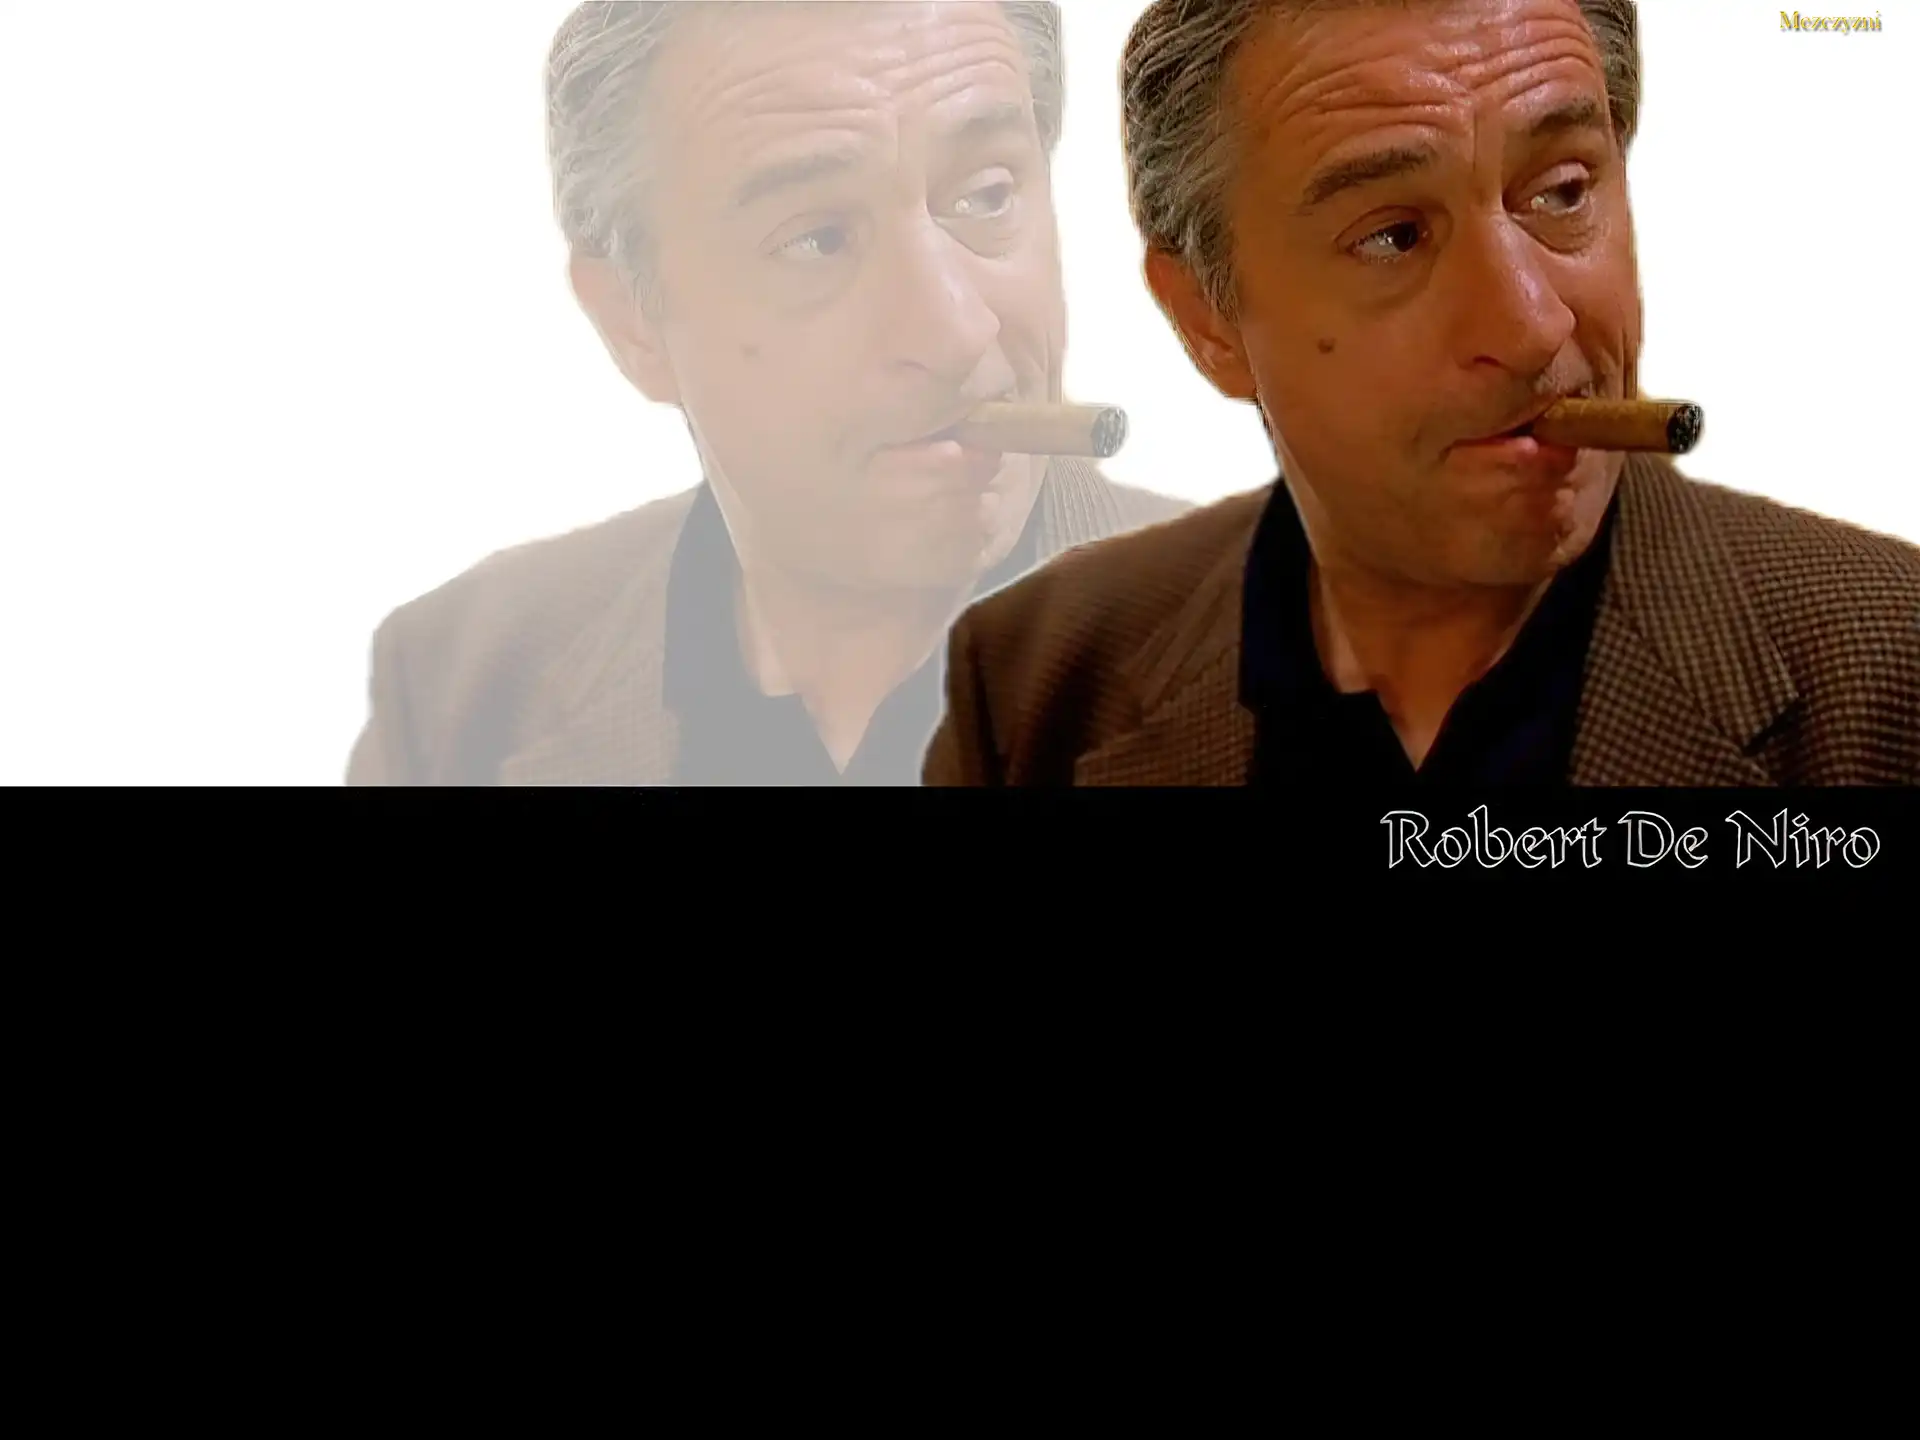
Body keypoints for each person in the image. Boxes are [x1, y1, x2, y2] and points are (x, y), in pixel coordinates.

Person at [924, 0, 1920, 786]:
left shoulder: (1889, 678)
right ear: (1208, 320)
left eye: (1563, 192)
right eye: (1394, 236)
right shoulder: (1033, 683)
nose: (1530, 325)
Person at [346, 1, 1186, 786]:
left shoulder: (1249, 652)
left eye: (986, 195)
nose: (954, 330)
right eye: (817, 239)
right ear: (633, 322)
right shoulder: (457, 692)